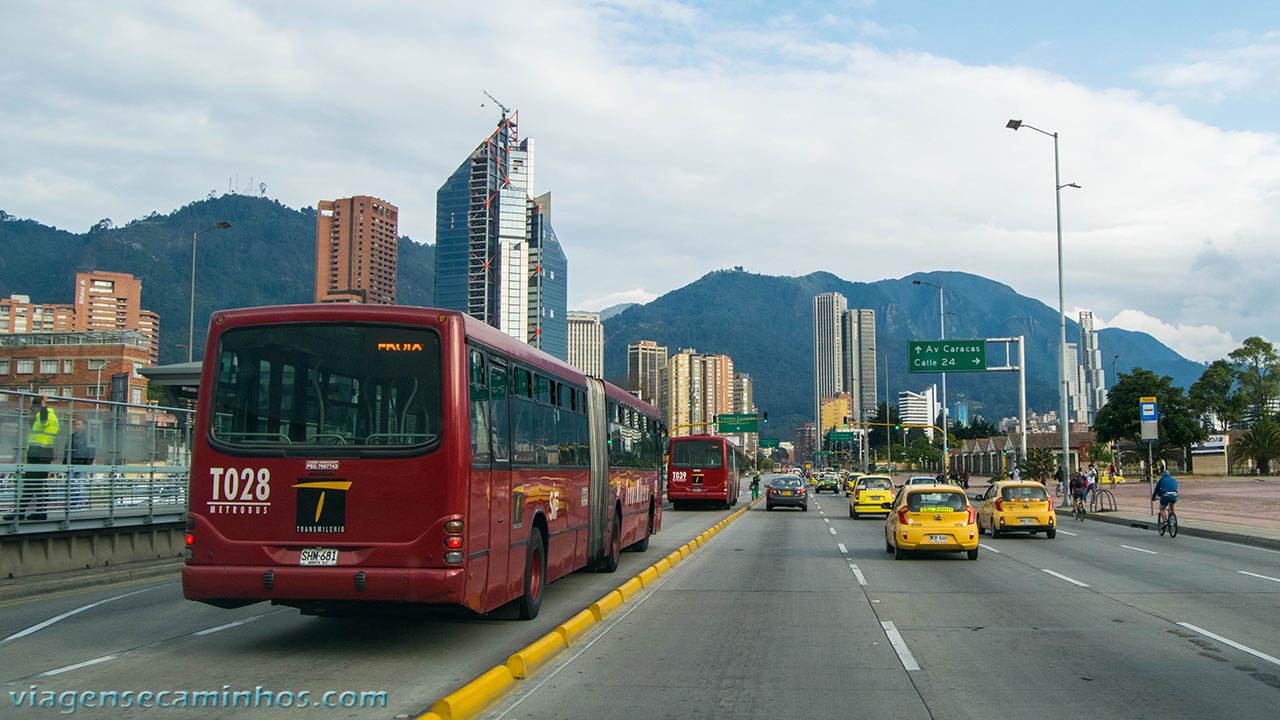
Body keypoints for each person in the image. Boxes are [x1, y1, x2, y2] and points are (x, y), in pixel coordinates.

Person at [5, 396, 59, 521]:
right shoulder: (47, 416)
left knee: (30, 484)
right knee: (38, 485)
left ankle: (20, 512)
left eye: (33, 409)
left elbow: (44, 421)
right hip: (41, 455)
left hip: (40, 455)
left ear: (37, 407)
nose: (32, 412)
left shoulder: (45, 415)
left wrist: (43, 405)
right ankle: (40, 512)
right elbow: (38, 427)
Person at [67, 417, 96, 510]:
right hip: (72, 463)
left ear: (84, 426)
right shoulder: (72, 436)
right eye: (75, 424)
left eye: (79, 424)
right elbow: (67, 449)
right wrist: (65, 462)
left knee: (81, 484)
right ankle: (71, 503)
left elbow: (92, 450)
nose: (76, 426)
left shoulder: (88, 437)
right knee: (70, 484)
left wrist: (88, 462)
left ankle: (79, 503)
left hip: (83, 463)